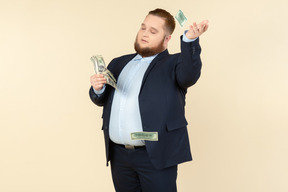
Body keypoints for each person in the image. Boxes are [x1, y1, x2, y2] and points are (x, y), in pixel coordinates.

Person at [89, 8, 208, 192]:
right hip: (119, 156)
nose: (145, 33)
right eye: (143, 28)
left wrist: (189, 40)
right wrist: (98, 89)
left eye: (153, 31)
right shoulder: (118, 63)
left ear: (166, 39)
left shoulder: (175, 64)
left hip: (155, 156)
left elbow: (189, 75)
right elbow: (102, 99)